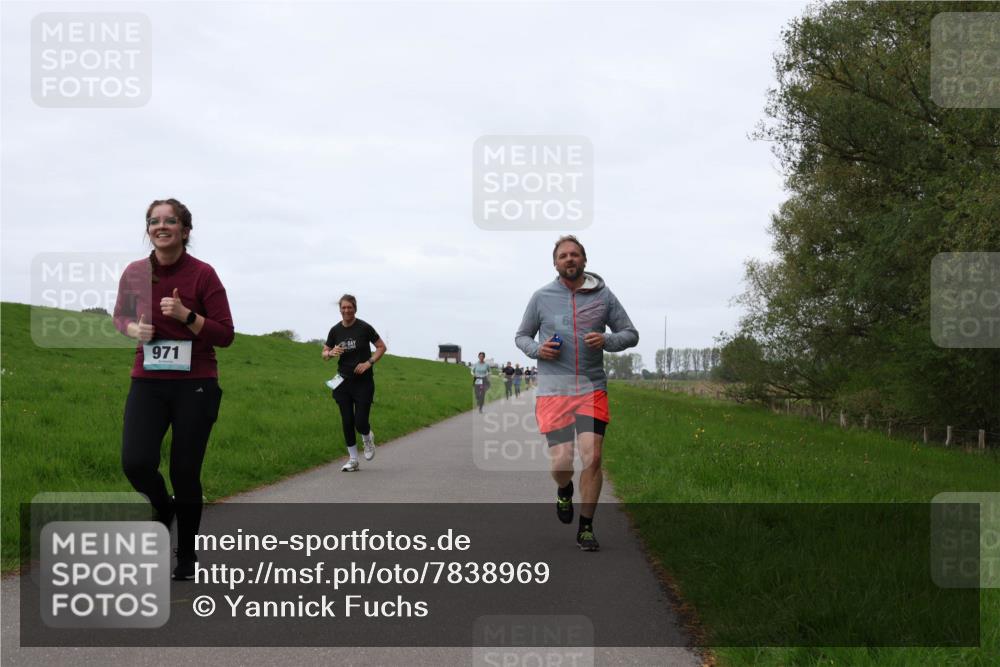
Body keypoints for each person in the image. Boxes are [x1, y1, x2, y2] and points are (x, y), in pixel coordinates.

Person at [114, 198, 234, 580]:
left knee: (185, 471)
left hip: (195, 383)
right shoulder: (134, 272)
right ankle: (163, 509)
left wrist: (188, 317)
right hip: (148, 381)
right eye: (154, 221)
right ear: (148, 229)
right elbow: (120, 317)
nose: (160, 226)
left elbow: (225, 334)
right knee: (135, 462)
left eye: (170, 221)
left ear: (185, 230)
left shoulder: (203, 275)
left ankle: (186, 556)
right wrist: (135, 330)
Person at [515, 235, 638, 551]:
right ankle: (564, 490)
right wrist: (538, 350)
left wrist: (607, 341)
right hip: (554, 392)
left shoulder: (604, 297)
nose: (569, 259)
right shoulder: (541, 297)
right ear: (555, 263)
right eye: (563, 255)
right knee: (561, 463)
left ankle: (586, 527)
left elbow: (630, 334)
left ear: (584, 260)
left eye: (575, 254)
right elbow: (521, 336)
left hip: (591, 389)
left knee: (593, 457)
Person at [323, 295, 387, 472]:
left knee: (360, 422)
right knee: (346, 420)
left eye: (349, 307)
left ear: (355, 308)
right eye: (343, 308)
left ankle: (367, 438)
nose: (346, 311)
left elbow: (381, 347)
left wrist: (369, 363)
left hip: (363, 383)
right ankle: (352, 459)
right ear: (340, 309)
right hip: (342, 382)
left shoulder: (364, 328)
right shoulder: (335, 330)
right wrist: (330, 353)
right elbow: (324, 353)